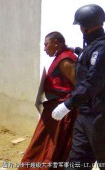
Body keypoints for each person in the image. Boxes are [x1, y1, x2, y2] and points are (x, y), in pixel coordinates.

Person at [51, 4, 105, 170]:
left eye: (80, 26)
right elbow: (89, 59)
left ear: (85, 27)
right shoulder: (94, 46)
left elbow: (92, 83)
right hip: (85, 115)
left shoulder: (103, 49)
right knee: (76, 163)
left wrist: (67, 105)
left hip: (99, 118)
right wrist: (77, 49)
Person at [19, 32, 77, 170]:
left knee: (53, 148)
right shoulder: (60, 57)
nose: (44, 49)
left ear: (56, 42)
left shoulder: (65, 60)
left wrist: (65, 107)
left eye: (46, 44)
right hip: (53, 109)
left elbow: (79, 86)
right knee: (43, 146)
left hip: (62, 112)